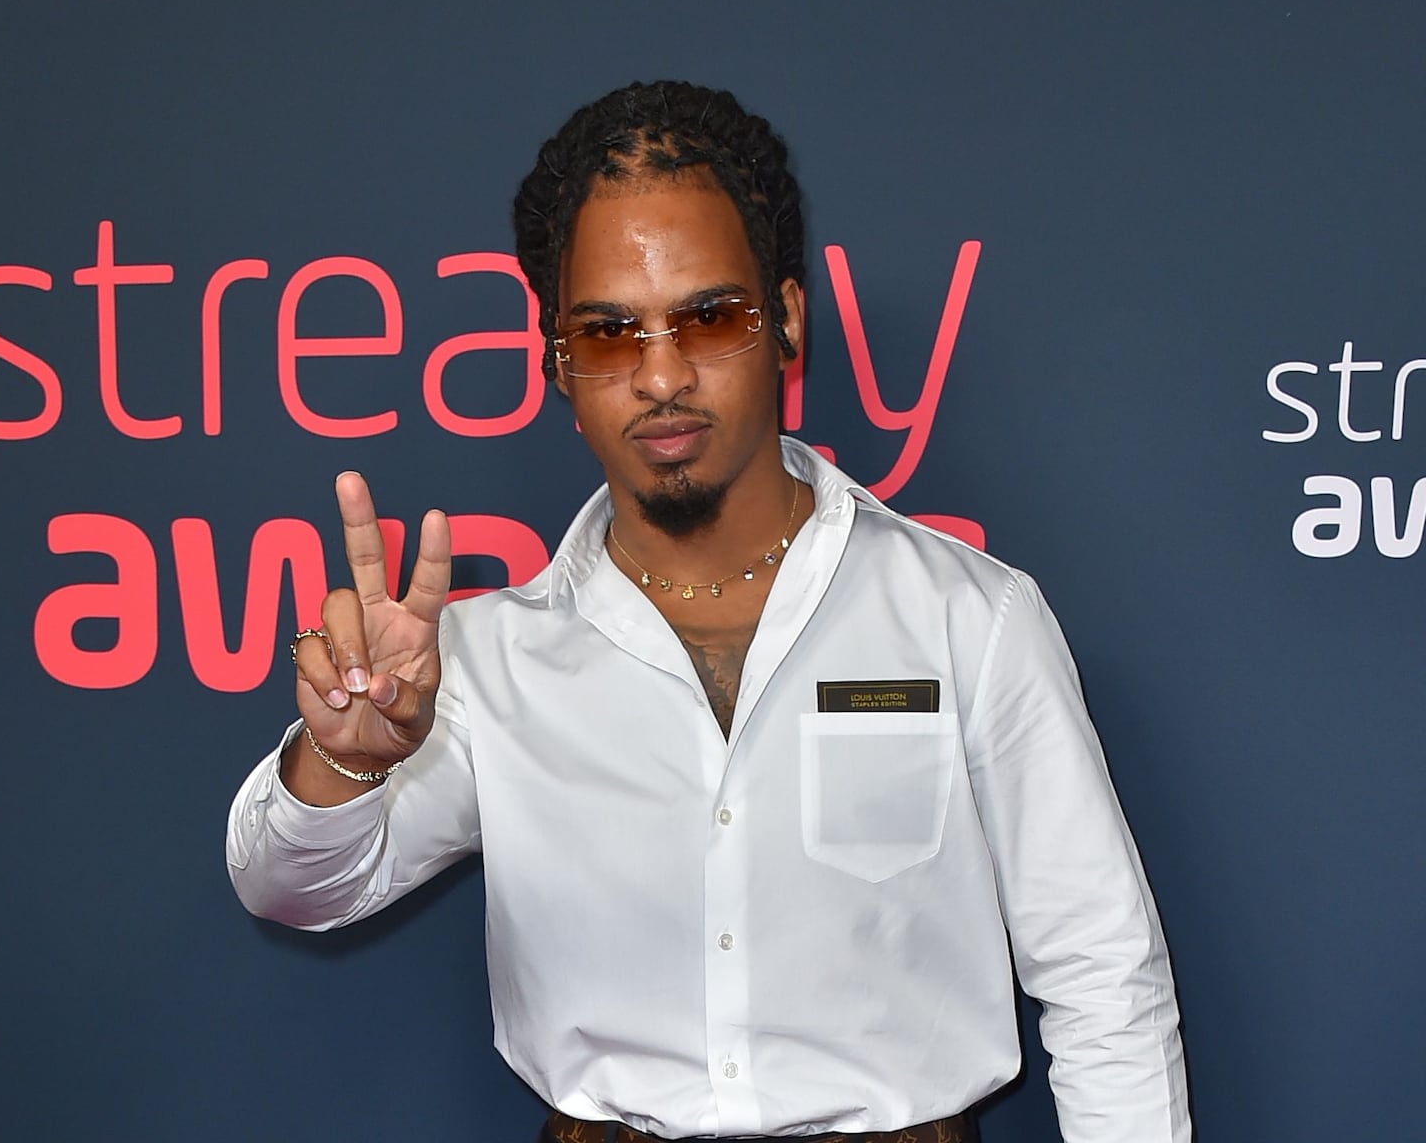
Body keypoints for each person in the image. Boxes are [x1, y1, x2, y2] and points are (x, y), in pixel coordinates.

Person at [227, 80, 1191, 1143]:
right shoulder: (483, 659)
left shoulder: (971, 616)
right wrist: (349, 764)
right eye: (607, 334)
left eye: (709, 316)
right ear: (558, 362)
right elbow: (295, 893)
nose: (661, 374)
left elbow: (1105, 979)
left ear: (782, 320)